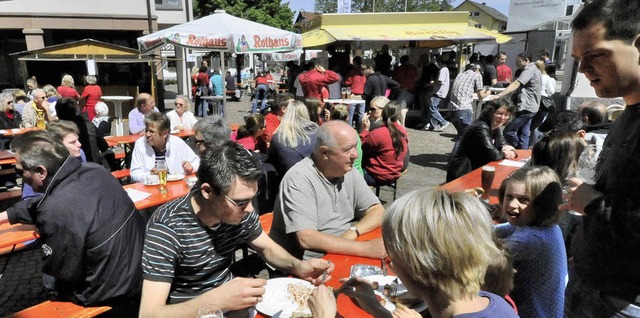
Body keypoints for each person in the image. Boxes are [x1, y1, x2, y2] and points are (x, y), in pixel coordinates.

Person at [138, 141, 334, 317]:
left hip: (236, 306)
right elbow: (149, 313)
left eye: (252, 199)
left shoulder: (237, 212)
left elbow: (266, 248)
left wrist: (297, 266)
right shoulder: (167, 228)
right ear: (207, 191)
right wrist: (217, 300)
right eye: (240, 202)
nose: (250, 209)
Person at [309, 188, 517, 318]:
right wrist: (376, 308)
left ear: (416, 266)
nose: (391, 265)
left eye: (392, 260)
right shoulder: (493, 301)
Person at [0, 131, 144, 313]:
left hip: (110, 291)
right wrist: (7, 215)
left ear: (41, 172)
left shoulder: (55, 209)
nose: (19, 177)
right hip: (139, 270)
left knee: (48, 278)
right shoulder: (94, 170)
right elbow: (51, 204)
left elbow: (62, 271)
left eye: (20, 171)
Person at [562, 0, 640, 315]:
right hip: (592, 287)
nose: (582, 69)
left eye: (595, 55)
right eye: (579, 59)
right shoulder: (628, 113)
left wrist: (593, 203)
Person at [269, 121, 386, 260]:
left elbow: (377, 210)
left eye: (355, 147)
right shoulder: (299, 179)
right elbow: (306, 238)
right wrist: (366, 249)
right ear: (324, 152)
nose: (355, 154)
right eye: (347, 149)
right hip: (306, 265)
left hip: (343, 250)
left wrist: (353, 232)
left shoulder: (348, 171)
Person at [495, 166, 567, 318]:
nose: (513, 205)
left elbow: (484, 260)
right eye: (509, 196)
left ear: (543, 204)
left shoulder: (533, 238)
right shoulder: (546, 226)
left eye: (524, 200)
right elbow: (494, 230)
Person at [446, 98, 517, 182]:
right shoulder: (480, 127)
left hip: (476, 169)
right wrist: (505, 152)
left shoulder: (494, 126)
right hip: (462, 174)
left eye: (506, 115)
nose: (502, 118)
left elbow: (503, 145)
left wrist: (512, 151)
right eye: (499, 113)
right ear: (490, 112)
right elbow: (495, 155)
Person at [130, 112, 199, 183]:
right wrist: (150, 175)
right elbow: (134, 174)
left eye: (152, 132)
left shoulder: (177, 142)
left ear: (164, 134)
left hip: (176, 188)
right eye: (146, 130)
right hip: (150, 189)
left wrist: (191, 167)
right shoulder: (140, 144)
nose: (147, 134)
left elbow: (197, 161)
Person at [493, 52, 542, 149]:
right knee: (524, 134)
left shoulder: (529, 70)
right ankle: (522, 154)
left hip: (527, 107)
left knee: (508, 131)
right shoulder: (533, 69)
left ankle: (517, 148)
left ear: (526, 60)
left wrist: (500, 95)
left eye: (519, 61)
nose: (517, 63)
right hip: (531, 107)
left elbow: (517, 84)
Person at [267, 100, 318, 184]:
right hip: (313, 179)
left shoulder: (279, 137)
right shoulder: (317, 132)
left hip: (289, 180)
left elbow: (271, 160)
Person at [360, 101, 408, 186]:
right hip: (394, 173)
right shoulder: (402, 131)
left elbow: (360, 147)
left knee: (348, 174)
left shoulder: (379, 133)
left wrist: (365, 130)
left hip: (377, 176)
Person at [448, 63, 490, 137]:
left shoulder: (460, 74)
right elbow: (481, 96)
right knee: (466, 137)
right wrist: (488, 92)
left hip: (452, 111)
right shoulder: (477, 75)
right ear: (478, 70)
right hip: (463, 109)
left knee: (461, 137)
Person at [56, 98, 101, 164]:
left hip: (77, 165)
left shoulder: (58, 131)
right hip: (92, 163)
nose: (78, 144)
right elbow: (103, 146)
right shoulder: (87, 124)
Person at [528, 60, 557, 146]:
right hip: (542, 102)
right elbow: (551, 91)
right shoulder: (547, 78)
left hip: (532, 100)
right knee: (537, 124)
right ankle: (533, 144)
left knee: (531, 123)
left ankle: (530, 142)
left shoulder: (532, 76)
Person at [420, 55, 450, 132]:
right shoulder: (444, 69)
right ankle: (433, 126)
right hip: (439, 92)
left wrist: (431, 83)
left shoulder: (443, 69)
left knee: (432, 108)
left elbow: (440, 81)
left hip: (438, 92)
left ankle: (443, 122)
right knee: (434, 108)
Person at [392, 55, 417, 125]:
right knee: (405, 108)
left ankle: (402, 124)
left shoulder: (398, 69)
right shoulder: (413, 68)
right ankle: (402, 123)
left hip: (402, 89)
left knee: (402, 108)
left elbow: (394, 79)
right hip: (411, 89)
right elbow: (415, 78)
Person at [344, 56, 367, 129]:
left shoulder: (352, 72)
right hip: (362, 96)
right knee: (361, 114)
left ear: (354, 62)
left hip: (353, 95)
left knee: (350, 114)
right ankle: (360, 129)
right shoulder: (364, 72)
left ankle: (349, 129)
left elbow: (347, 82)